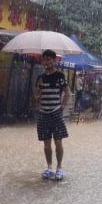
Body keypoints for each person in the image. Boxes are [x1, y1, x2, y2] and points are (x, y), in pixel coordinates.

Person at [34, 50, 70, 180]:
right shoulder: (40, 78)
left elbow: (67, 93)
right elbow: (36, 97)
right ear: (43, 61)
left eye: (49, 59)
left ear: (54, 61)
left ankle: (59, 168)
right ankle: (49, 168)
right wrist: (38, 91)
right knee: (46, 144)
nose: (47, 62)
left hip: (56, 113)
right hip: (43, 114)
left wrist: (62, 107)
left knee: (58, 142)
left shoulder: (60, 76)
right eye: (45, 59)